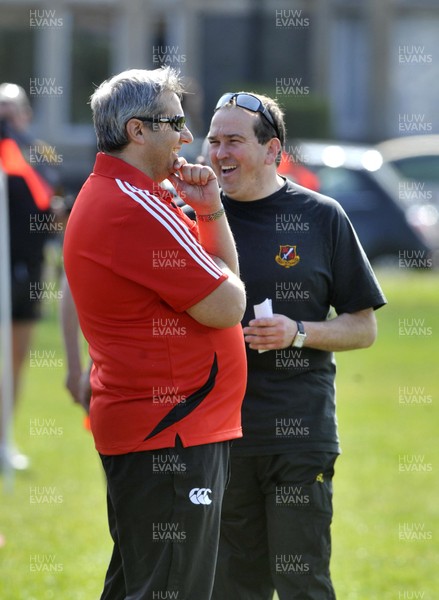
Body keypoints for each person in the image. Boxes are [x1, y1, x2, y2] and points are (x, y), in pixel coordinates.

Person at [63, 67, 247, 600]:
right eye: (176, 123)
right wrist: (211, 225)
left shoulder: (128, 194)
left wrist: (210, 210)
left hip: (163, 429)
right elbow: (228, 304)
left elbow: (220, 285)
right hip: (170, 432)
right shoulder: (134, 204)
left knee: (140, 586)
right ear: (137, 131)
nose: (189, 138)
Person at [206, 92, 387, 599]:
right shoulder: (195, 217)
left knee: (301, 579)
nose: (220, 153)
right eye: (214, 140)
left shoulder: (321, 216)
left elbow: (363, 327)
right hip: (216, 433)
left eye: (234, 141)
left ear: (272, 150)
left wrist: (299, 331)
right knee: (231, 588)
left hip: (298, 432)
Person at [0, 83, 57, 471]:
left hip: (29, 267)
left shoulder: (37, 152)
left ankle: (4, 438)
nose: (6, 117)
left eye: (12, 109)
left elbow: (51, 201)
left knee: (16, 358)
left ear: (26, 113)